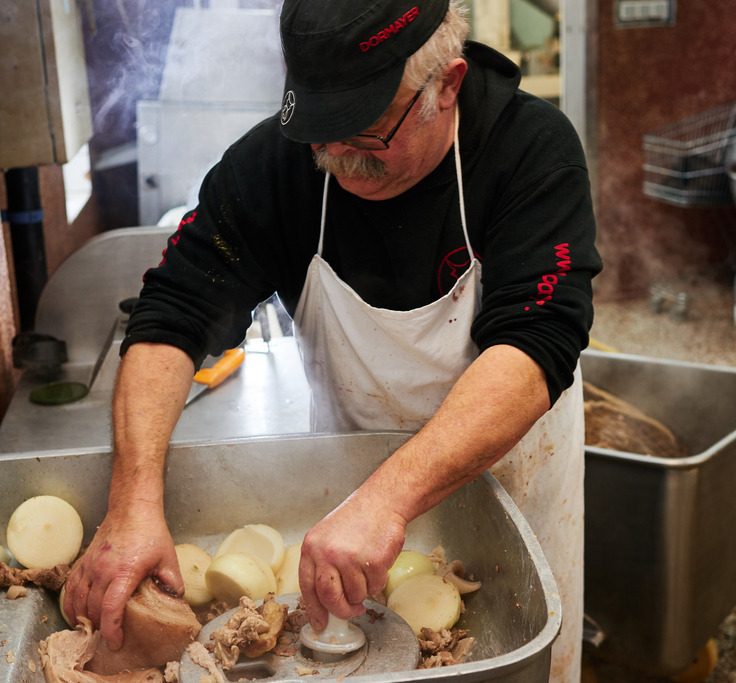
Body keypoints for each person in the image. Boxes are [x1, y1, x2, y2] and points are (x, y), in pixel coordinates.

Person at [62, 0, 602, 680]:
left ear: (447, 84)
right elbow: (172, 312)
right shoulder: (271, 166)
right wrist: (132, 503)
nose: (341, 159)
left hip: (514, 472)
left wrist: (388, 499)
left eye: (369, 132)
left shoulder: (529, 150)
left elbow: (534, 344)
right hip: (350, 501)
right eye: (322, 133)